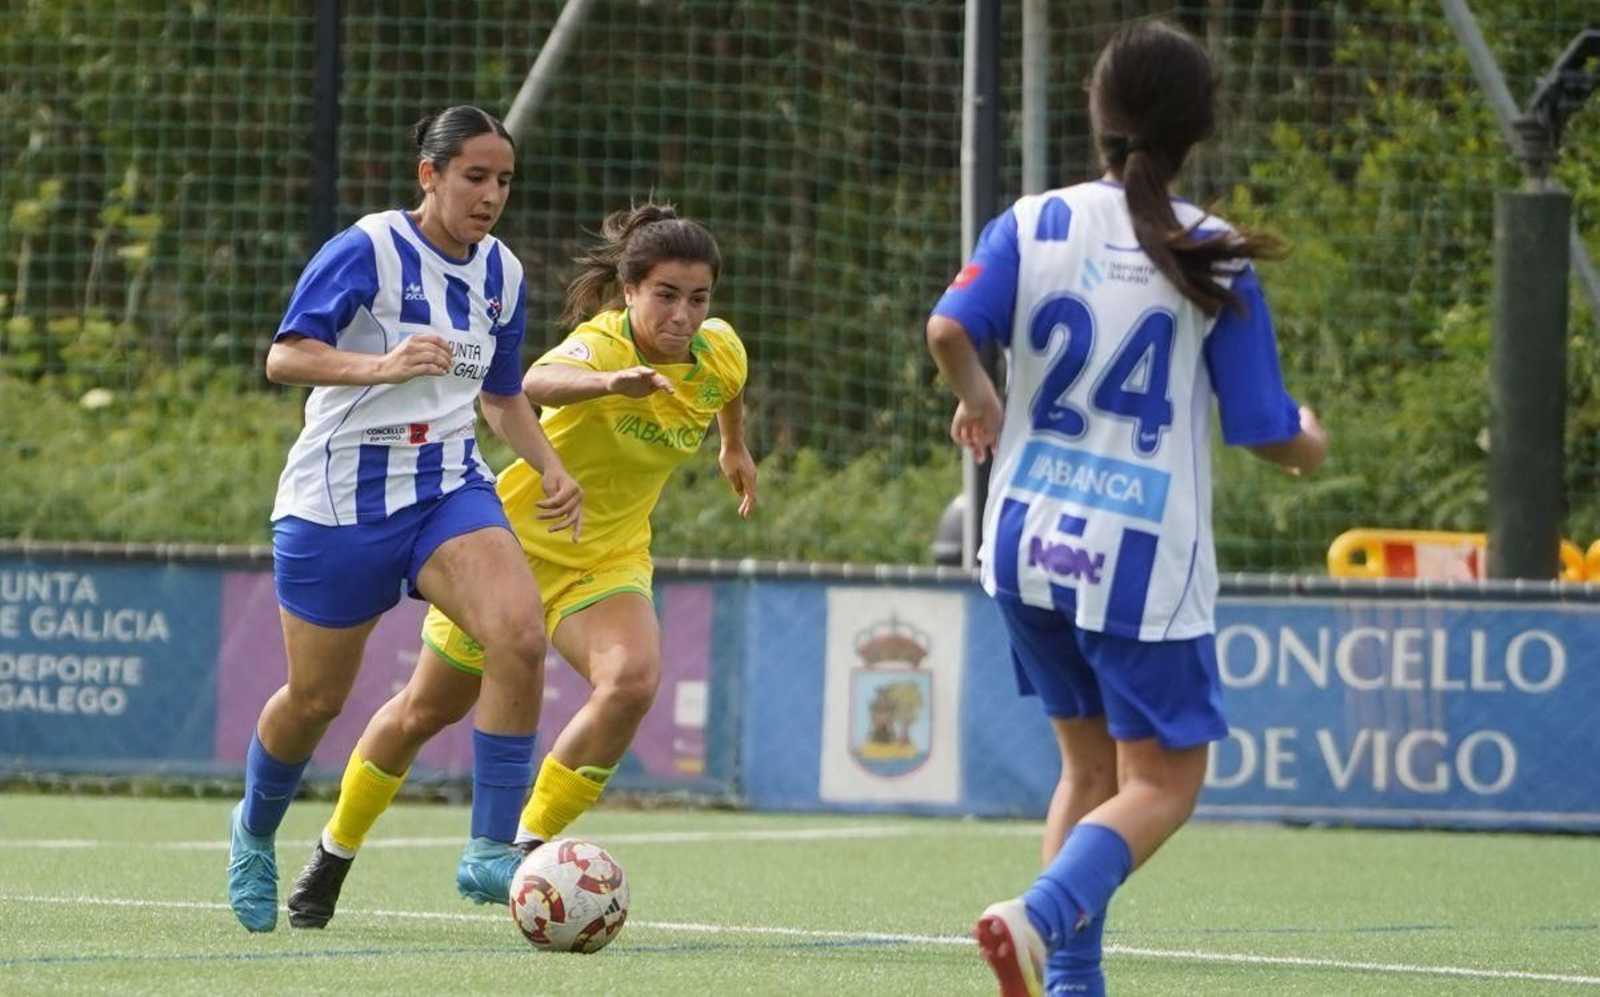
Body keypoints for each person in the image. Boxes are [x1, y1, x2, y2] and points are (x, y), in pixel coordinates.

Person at [925, 20, 1327, 996]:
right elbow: (1263, 429)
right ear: (1201, 126)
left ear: (1096, 114)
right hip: (1136, 553)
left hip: (1020, 541)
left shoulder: (1029, 222)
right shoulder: (1210, 252)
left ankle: (1069, 984)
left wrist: (979, 397)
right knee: (1163, 784)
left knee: (1090, 773)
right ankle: (1037, 916)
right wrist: (1308, 440)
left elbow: (946, 327)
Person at [284, 201, 757, 928]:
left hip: (609, 559)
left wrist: (734, 446)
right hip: (515, 553)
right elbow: (533, 383)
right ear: (629, 291)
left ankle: (525, 851)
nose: (683, 314)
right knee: (423, 710)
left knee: (631, 681)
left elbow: (727, 388)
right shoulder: (600, 348)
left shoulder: (719, 349)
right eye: (665, 295)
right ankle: (332, 853)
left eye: (698, 298)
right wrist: (611, 384)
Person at [227, 105, 582, 933]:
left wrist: (549, 463)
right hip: (340, 499)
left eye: (503, 180)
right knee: (315, 699)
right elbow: (285, 355)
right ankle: (252, 831)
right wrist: (380, 366)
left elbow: (499, 395)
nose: (491, 195)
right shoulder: (369, 248)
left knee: (519, 634)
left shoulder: (504, 274)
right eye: (474, 177)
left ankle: (490, 850)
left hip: (447, 484)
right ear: (430, 175)